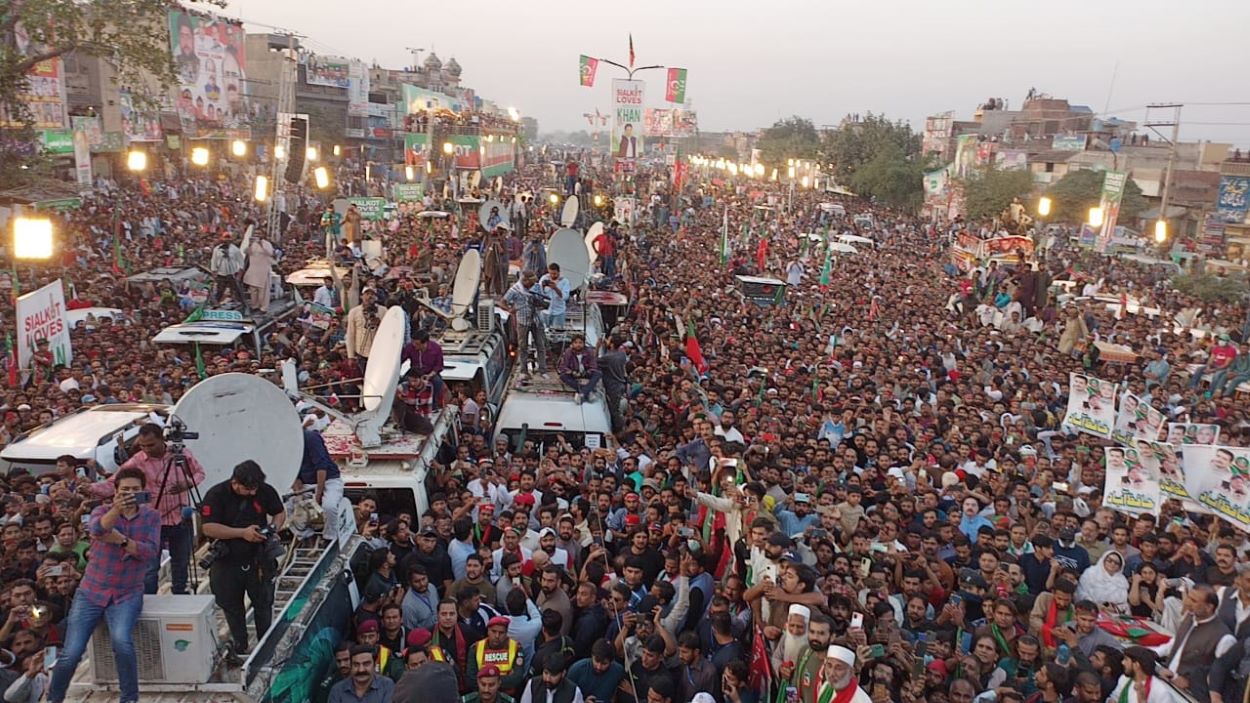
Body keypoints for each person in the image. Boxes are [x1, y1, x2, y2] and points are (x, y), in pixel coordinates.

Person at [45, 467, 160, 703]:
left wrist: (121, 540)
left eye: (135, 490)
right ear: (115, 491)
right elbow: (97, 529)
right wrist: (117, 511)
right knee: (72, 653)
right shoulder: (102, 510)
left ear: (143, 491)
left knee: (122, 643)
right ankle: (54, 699)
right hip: (92, 592)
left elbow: (149, 552)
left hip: (126, 593)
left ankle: (129, 699)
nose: (130, 494)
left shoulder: (152, 517)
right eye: (125, 489)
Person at [84, 422, 205, 595]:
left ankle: (180, 594)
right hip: (152, 521)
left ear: (162, 440)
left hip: (180, 518)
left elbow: (199, 473)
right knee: (150, 567)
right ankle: (148, 598)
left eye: (151, 445)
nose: (146, 449)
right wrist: (91, 489)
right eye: (142, 446)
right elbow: (114, 484)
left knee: (181, 562)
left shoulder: (181, 454)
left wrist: (186, 484)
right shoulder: (136, 461)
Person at [200, 460, 286, 655]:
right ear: (235, 483)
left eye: (255, 488)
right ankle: (240, 644)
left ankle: (265, 646)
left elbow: (279, 512)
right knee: (231, 606)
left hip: (259, 558)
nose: (253, 493)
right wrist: (241, 533)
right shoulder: (216, 495)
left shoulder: (264, 491)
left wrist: (273, 529)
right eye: (248, 489)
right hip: (228, 560)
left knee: (263, 604)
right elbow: (208, 527)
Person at [297, 425, 344, 542]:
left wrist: (317, 497)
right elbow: (293, 474)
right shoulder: (285, 443)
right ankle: (306, 536)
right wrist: (299, 497)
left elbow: (321, 468)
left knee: (329, 506)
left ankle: (330, 537)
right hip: (306, 482)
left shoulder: (311, 437)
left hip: (329, 479)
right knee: (289, 507)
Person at [502, 271, 548, 380]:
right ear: (525, 280)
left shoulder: (537, 287)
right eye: (530, 282)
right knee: (523, 347)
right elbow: (502, 302)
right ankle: (524, 371)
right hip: (522, 321)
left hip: (536, 320)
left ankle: (542, 370)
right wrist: (510, 310)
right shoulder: (515, 289)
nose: (533, 284)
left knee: (540, 345)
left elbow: (542, 301)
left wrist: (540, 303)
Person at [328, 644, 394, 703]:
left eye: (366, 664)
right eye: (356, 665)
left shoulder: (386, 685)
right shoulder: (337, 690)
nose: (361, 670)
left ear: (374, 664)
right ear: (351, 666)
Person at [403, 329, 446, 410]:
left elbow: (439, 365)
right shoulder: (410, 347)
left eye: (417, 344)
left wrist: (430, 375)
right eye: (414, 343)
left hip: (430, 372)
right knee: (402, 382)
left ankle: (433, 405)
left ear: (425, 343)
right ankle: (406, 403)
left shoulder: (436, 348)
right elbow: (402, 359)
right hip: (414, 372)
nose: (415, 346)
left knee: (437, 382)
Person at [518, 653, 582, 703]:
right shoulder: (532, 684)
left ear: (563, 673)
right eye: (546, 673)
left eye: (553, 675)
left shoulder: (574, 692)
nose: (548, 679)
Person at [557, 335, 600, 404]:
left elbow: (593, 366)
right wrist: (572, 372)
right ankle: (587, 391)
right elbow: (562, 367)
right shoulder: (568, 352)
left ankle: (583, 392)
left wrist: (586, 372)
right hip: (574, 374)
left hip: (586, 373)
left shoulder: (589, 351)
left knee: (598, 373)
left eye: (580, 343)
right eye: (576, 343)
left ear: (584, 344)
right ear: (572, 344)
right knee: (563, 376)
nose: (578, 345)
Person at [210, 231, 247, 310]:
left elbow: (241, 263)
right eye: (225, 238)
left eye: (228, 238)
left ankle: (243, 306)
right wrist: (214, 273)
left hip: (232, 273)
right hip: (221, 273)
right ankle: (215, 306)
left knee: (237, 291)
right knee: (219, 291)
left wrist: (239, 275)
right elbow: (214, 262)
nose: (226, 240)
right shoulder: (217, 249)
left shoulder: (235, 250)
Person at [243, 230, 277, 314]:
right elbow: (246, 252)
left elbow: (270, 254)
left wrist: (261, 245)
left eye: (259, 233)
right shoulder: (252, 243)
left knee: (263, 291)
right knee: (253, 290)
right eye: (256, 233)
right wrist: (250, 244)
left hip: (263, 270)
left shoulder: (267, 244)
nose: (257, 235)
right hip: (254, 270)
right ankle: (255, 306)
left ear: (263, 234)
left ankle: (263, 308)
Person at [536, 263, 570, 331]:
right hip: (545, 311)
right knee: (543, 333)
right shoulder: (544, 278)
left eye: (554, 274)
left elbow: (565, 297)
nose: (552, 275)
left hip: (558, 312)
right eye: (550, 273)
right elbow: (539, 293)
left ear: (559, 272)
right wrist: (542, 286)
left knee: (557, 334)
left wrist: (556, 288)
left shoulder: (564, 281)